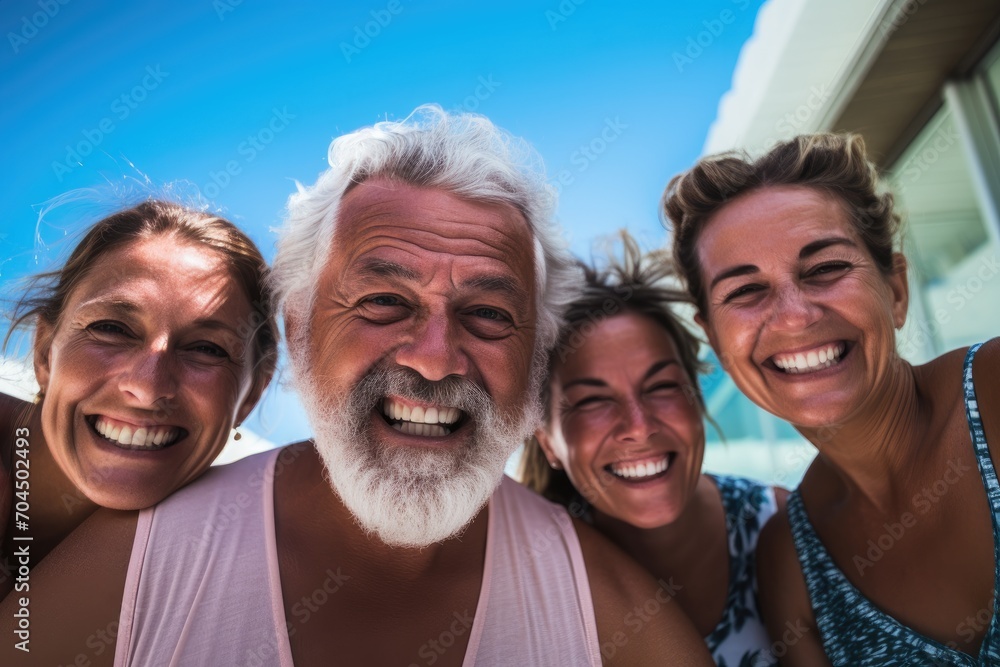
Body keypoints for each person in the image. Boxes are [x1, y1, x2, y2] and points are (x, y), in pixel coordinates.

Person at [4, 106, 714, 666]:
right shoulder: (135, 566)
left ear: (536, 364)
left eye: (490, 314)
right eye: (382, 303)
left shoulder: (614, 617)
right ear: (302, 330)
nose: (436, 362)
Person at [661, 132, 1000, 665]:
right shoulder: (789, 562)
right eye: (745, 292)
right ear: (717, 344)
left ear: (896, 290)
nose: (795, 316)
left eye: (826, 269)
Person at [519, 232, 786, 666]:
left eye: (662, 387)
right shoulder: (529, 584)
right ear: (547, 441)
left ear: (696, 398)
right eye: (592, 401)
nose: (639, 428)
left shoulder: (791, 531)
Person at [0, 200, 276, 590]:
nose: (148, 388)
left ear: (249, 398)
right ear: (45, 351)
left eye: (207, 349)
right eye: (112, 328)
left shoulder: (225, 576)